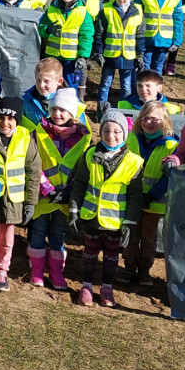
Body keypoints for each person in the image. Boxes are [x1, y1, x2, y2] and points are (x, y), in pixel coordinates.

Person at [64, 113, 142, 308]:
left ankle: (107, 287)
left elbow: (135, 195)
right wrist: (74, 209)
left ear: (124, 134)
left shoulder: (134, 161)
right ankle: (86, 286)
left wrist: (130, 222)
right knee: (90, 252)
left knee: (111, 255)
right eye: (106, 130)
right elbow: (80, 183)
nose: (111, 135)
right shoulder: (90, 154)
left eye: (116, 131)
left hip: (115, 221)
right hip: (91, 217)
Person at [28, 87, 88, 291]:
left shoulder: (83, 138)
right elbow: (34, 163)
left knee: (58, 234)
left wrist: (68, 192)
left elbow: (81, 169)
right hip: (44, 196)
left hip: (65, 198)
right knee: (38, 231)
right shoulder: (38, 132)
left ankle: (55, 273)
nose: (57, 114)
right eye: (54, 109)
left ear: (72, 113)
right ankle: (36, 271)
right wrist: (47, 189)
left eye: (62, 110)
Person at [0, 100, 36, 291]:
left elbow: (33, 170)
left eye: (11, 118)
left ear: (17, 120)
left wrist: (30, 202)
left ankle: (2, 271)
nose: (5, 122)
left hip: (14, 199)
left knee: (7, 240)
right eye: (1, 118)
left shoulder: (25, 137)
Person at [124, 101, 179, 289]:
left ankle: (145, 269)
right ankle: (128, 267)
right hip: (131, 199)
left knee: (148, 238)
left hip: (154, 203)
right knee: (130, 234)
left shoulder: (171, 145)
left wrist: (152, 195)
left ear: (165, 121)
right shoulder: (130, 139)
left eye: (154, 119)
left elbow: (169, 177)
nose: (149, 122)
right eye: (145, 118)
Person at [39, 0, 96, 89]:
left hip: (71, 58)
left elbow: (87, 36)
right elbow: (40, 28)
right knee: (51, 84)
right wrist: (48, 30)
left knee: (70, 86)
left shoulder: (83, 12)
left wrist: (83, 57)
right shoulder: (51, 9)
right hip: (53, 56)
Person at [97, 0, 142, 109]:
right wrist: (99, 52)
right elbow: (100, 33)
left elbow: (140, 35)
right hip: (110, 54)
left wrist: (140, 55)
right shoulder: (106, 10)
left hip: (129, 55)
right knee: (105, 83)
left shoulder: (138, 12)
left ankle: (124, 109)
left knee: (126, 85)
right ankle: (101, 108)